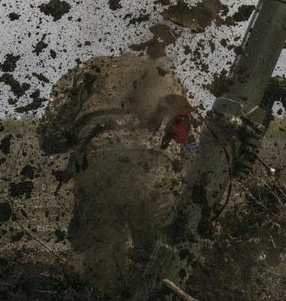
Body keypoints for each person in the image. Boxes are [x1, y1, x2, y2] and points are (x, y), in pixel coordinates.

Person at [37, 53, 199, 299]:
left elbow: (49, 136)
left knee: (102, 264)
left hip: (98, 164)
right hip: (155, 169)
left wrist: (75, 137)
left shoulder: (87, 71)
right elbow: (190, 142)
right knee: (165, 256)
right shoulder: (164, 74)